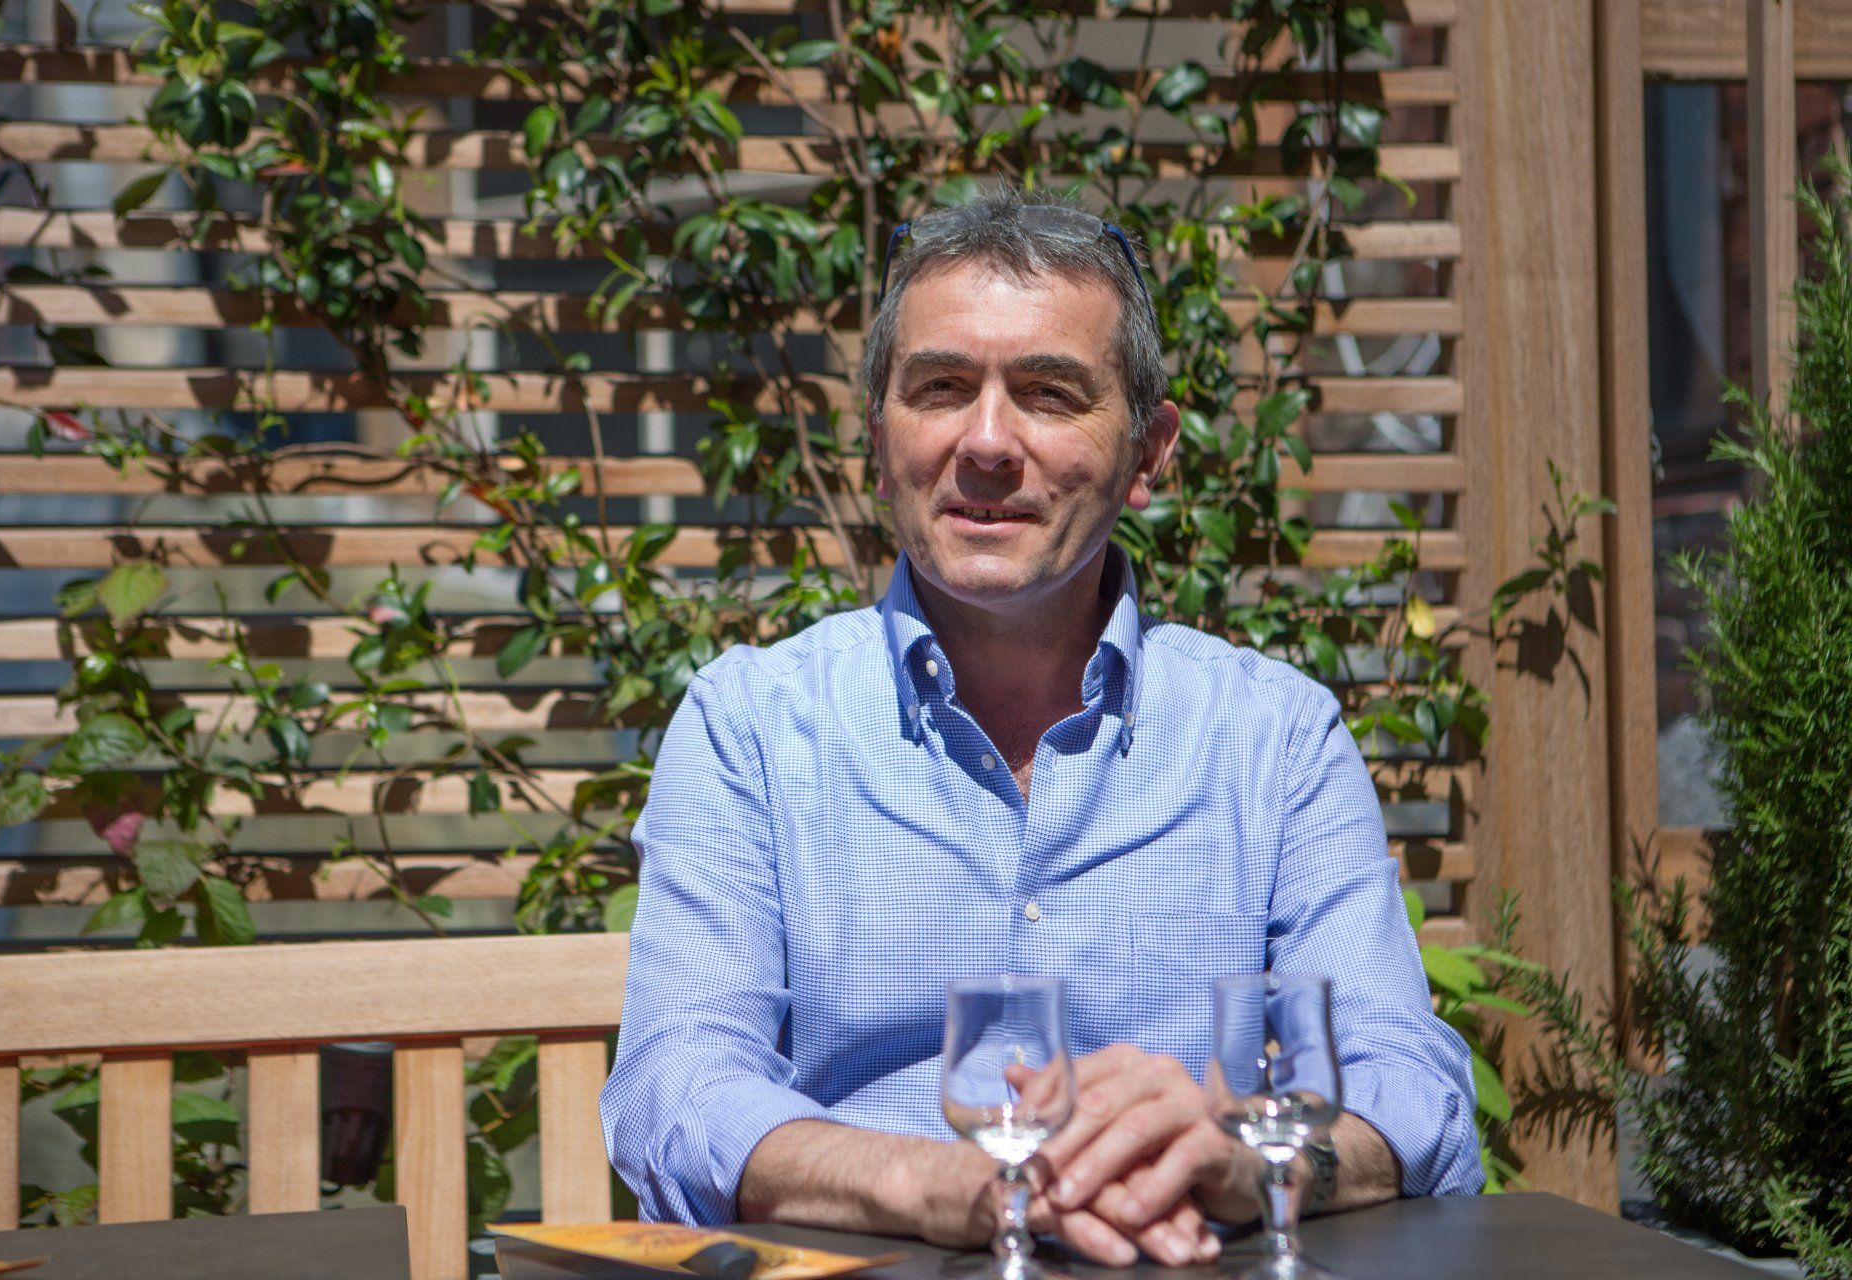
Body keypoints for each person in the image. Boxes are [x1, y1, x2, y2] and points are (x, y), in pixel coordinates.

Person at [599, 192, 1483, 1267]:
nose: (985, 442)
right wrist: (942, 1184)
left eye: (1050, 394)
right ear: (878, 437)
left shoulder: (1276, 740)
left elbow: (1412, 1088)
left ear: (1149, 454)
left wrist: (1254, 1163)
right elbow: (677, 1088)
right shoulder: (750, 728)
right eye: (939, 388)